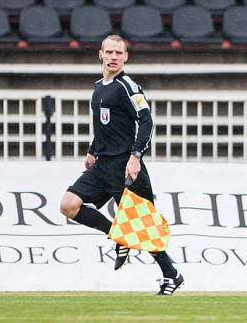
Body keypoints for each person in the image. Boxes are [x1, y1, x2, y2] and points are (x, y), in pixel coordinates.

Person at [59, 35, 184, 296]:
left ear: (126, 57)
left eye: (119, 52)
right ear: (100, 54)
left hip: (125, 164)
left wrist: (136, 156)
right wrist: (93, 150)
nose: (114, 57)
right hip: (102, 164)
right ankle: (119, 236)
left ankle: (172, 275)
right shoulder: (99, 87)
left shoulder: (127, 86)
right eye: (110, 52)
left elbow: (147, 122)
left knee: (143, 226)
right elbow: (104, 125)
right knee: (69, 205)